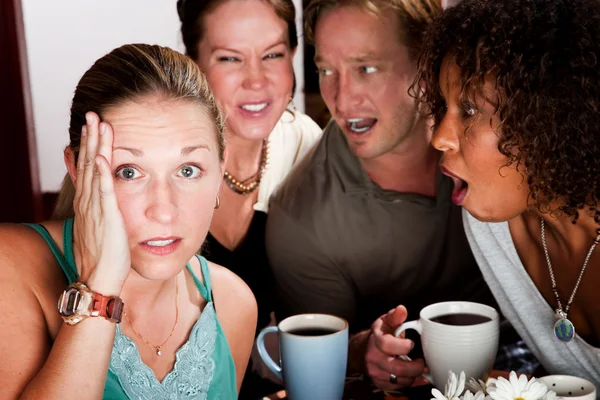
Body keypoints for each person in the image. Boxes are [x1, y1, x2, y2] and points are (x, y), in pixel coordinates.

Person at [265, 0, 505, 391]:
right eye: (326, 70)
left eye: (366, 68)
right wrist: (364, 351)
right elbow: (320, 361)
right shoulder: (302, 217)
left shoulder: (504, 143)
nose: (341, 100)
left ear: (426, 65)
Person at [0, 43, 257, 399]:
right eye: (129, 172)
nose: (164, 210)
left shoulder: (234, 303)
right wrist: (100, 288)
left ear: (219, 170)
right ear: (78, 169)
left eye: (188, 170)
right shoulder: (8, 265)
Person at [415, 0, 600, 386]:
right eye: (442, 106)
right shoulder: (490, 227)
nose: (439, 138)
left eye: (468, 109)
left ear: (550, 116)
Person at [177, 0, 322, 396]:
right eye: (230, 58)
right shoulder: (159, 160)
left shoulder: (306, 146)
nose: (256, 81)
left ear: (293, 55)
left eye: (272, 54)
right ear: (193, 63)